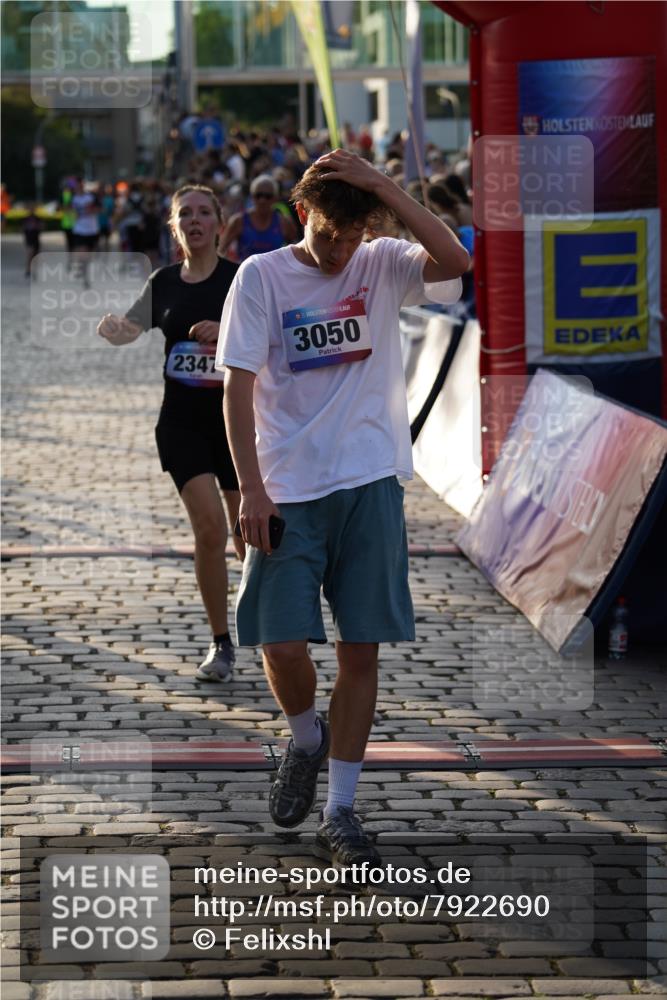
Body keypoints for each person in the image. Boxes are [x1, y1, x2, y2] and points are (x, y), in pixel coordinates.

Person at [217, 150, 469, 865]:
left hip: (370, 480)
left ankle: (341, 809)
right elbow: (237, 387)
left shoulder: (382, 261)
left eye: (353, 236)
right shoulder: (261, 275)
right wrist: (252, 488)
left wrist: (384, 187)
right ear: (303, 214)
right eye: (330, 234)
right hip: (288, 488)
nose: (340, 252)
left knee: (361, 650)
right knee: (279, 643)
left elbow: (456, 261)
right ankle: (305, 739)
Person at [97, 185, 243, 681]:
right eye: (186, 214)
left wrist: (225, 331)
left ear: (219, 223)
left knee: (248, 537)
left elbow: (273, 339)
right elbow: (131, 329)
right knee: (210, 529)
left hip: (236, 423)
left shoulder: (241, 279)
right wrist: (113, 330)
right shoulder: (163, 282)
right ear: (174, 227)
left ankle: (266, 628)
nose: (195, 220)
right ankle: (220, 642)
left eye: (204, 212)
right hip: (181, 423)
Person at [218, 175, 296, 261]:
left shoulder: (284, 222)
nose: (262, 200)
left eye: (268, 196)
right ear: (252, 197)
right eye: (258, 195)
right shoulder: (239, 221)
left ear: (276, 198)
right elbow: (221, 250)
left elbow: (296, 253)